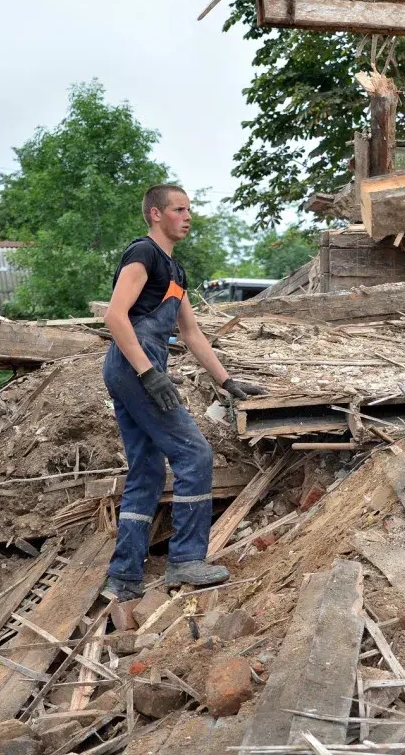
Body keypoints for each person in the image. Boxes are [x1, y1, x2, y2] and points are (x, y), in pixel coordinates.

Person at [101, 184, 267, 599]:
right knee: (194, 454)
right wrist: (148, 374)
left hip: (134, 370)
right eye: (179, 209)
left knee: (147, 470)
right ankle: (185, 561)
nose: (188, 216)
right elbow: (115, 317)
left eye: (189, 209)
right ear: (156, 214)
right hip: (133, 367)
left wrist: (226, 382)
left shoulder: (175, 271)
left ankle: (124, 576)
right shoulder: (144, 254)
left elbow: (191, 333)